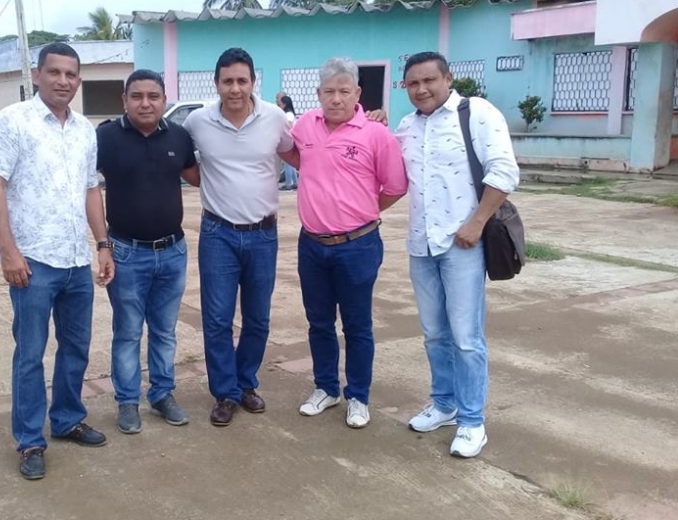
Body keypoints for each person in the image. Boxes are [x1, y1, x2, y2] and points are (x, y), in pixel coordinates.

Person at [0, 42, 115, 480]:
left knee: (75, 348)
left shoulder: (84, 131)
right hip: (32, 262)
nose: (63, 81)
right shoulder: (12, 122)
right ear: (37, 76)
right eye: (54, 72)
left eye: (71, 75)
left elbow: (91, 188)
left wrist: (103, 243)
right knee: (30, 354)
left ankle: (68, 418)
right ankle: (30, 440)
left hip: (75, 260)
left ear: (78, 80)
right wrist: (9, 252)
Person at [395, 51, 519, 458]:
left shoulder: (477, 113)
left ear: (448, 78)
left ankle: (471, 421)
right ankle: (444, 404)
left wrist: (476, 223)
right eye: (412, 83)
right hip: (421, 245)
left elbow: (504, 171)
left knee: (466, 338)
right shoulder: (406, 127)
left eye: (429, 80)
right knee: (434, 334)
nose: (421, 89)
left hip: (463, 245)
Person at [283, 57, 406, 428]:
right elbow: (293, 154)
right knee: (318, 322)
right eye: (329, 91)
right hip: (312, 245)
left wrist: (364, 208)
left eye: (344, 91)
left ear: (357, 94)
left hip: (358, 245)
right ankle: (326, 388)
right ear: (318, 94)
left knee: (357, 324)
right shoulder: (305, 125)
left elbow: (396, 186)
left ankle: (358, 396)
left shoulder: (376, 134)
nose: (336, 99)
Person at [182, 48, 294, 427]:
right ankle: (225, 393)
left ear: (252, 83)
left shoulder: (275, 118)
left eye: (242, 81)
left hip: (263, 235)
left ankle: (246, 383)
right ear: (216, 84)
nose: (235, 88)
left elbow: (301, 154)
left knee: (258, 319)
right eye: (227, 81)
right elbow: (183, 161)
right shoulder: (198, 121)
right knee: (217, 319)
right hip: (218, 235)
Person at [96, 69, 200, 434]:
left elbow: (198, 176)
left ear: (164, 100)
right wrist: (102, 244)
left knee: (165, 331)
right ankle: (127, 402)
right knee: (127, 332)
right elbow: (85, 188)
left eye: (153, 96)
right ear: (124, 99)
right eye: (137, 96)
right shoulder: (105, 137)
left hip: (173, 252)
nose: (145, 103)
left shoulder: (179, 136)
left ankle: (162, 394)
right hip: (126, 253)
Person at [277, 95, 299, 191]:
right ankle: (295, 182)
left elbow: (289, 127)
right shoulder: (289, 114)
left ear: (284, 104)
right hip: (291, 140)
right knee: (290, 164)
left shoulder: (288, 115)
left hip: (288, 140)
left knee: (288, 164)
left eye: (280, 104)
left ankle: (289, 183)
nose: (278, 105)